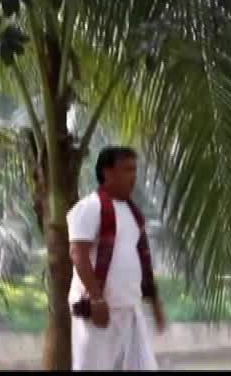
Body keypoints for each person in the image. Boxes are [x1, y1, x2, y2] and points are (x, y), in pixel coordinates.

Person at [68, 146, 166, 370]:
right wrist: (96, 299)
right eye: (127, 169)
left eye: (134, 170)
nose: (133, 176)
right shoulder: (89, 208)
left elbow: (142, 261)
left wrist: (154, 303)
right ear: (108, 172)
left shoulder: (133, 213)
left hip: (130, 309)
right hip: (98, 311)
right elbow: (78, 254)